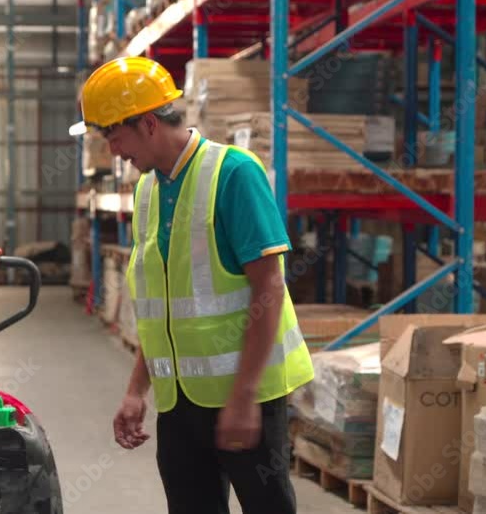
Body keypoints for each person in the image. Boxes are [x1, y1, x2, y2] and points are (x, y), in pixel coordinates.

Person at [70, 57, 315, 514]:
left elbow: (270, 290)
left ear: (146, 124)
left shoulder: (235, 174)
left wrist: (243, 398)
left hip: (250, 394)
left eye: (111, 135)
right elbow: (161, 308)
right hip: (180, 401)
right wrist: (135, 390)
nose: (113, 151)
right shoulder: (146, 191)